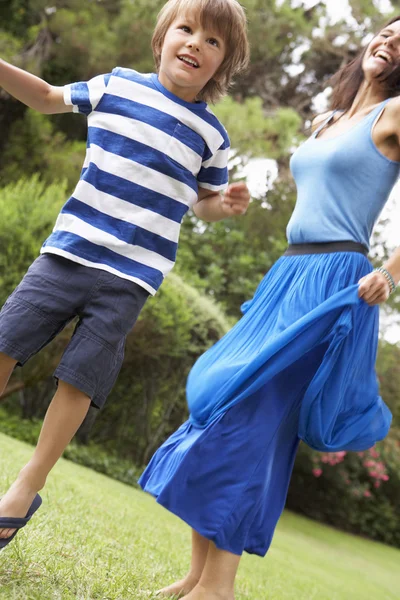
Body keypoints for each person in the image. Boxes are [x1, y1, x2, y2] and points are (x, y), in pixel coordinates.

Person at [139, 15, 400, 600]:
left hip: (337, 282)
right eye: (388, 30)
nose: (391, 41)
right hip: (289, 272)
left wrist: (388, 271)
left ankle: (219, 588)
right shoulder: (328, 120)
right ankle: (197, 576)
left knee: (255, 421)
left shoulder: (396, 115)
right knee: (222, 398)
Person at [0, 0, 251, 549]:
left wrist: (224, 205)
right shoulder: (116, 87)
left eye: (213, 42)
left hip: (130, 278)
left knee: (80, 378)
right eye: (186, 29)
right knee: (3, 343)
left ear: (223, 64)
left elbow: (203, 204)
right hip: (68, 252)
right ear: (162, 37)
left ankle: (25, 487)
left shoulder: (211, 136)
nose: (195, 44)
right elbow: (45, 98)